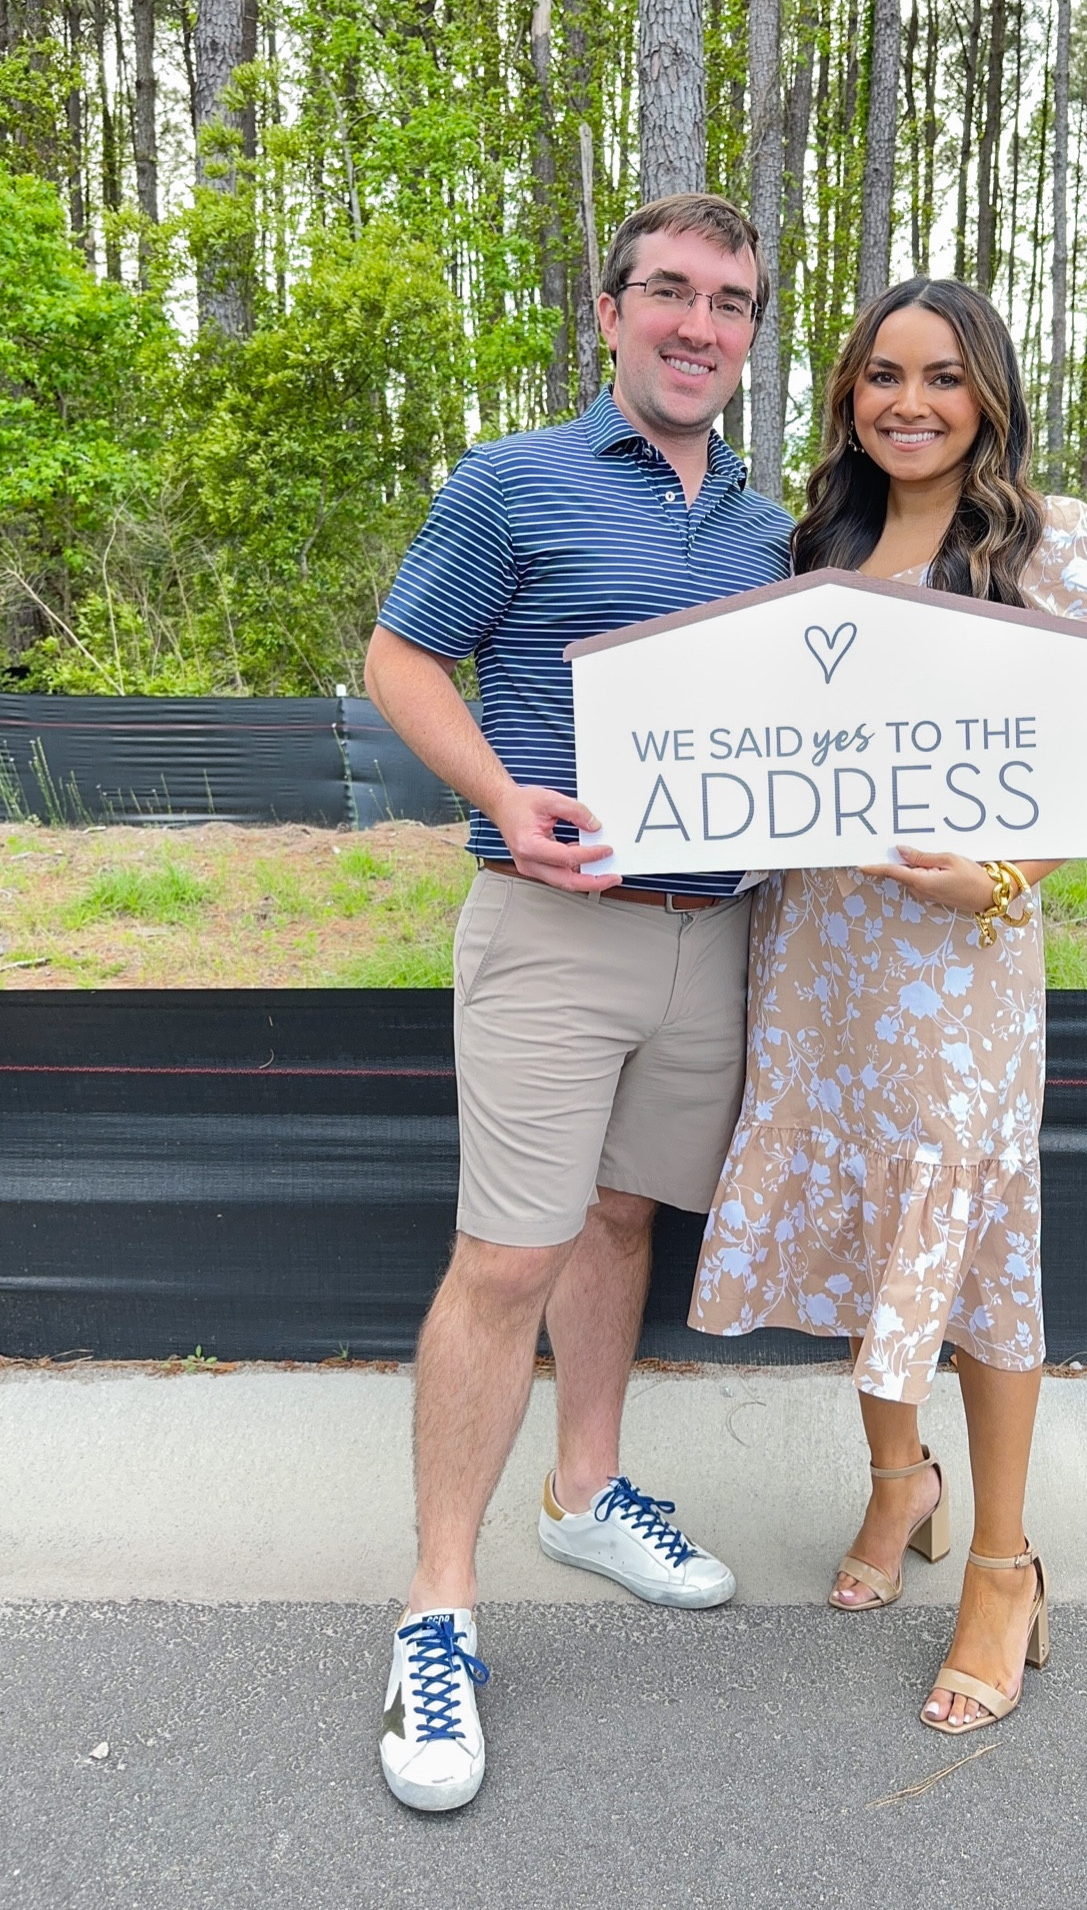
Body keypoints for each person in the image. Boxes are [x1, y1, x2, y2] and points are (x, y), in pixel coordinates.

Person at [363, 193, 793, 1812]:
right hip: (555, 925)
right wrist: (506, 793)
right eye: (669, 293)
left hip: (718, 937)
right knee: (508, 1257)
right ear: (609, 313)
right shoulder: (513, 481)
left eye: (731, 303)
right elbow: (403, 658)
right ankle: (440, 1614)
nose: (699, 325)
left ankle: (588, 1489)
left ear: (752, 338)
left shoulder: (771, 529)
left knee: (622, 1221)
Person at [689, 277, 1087, 1734]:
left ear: (988, 392)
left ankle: (1001, 1565)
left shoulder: (1054, 541)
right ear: (848, 394)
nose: (911, 403)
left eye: (943, 377)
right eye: (883, 375)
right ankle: (902, 1487)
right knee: (869, 1222)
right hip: (817, 950)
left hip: (962, 959)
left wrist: (1001, 877)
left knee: (979, 1245)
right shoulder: (817, 543)